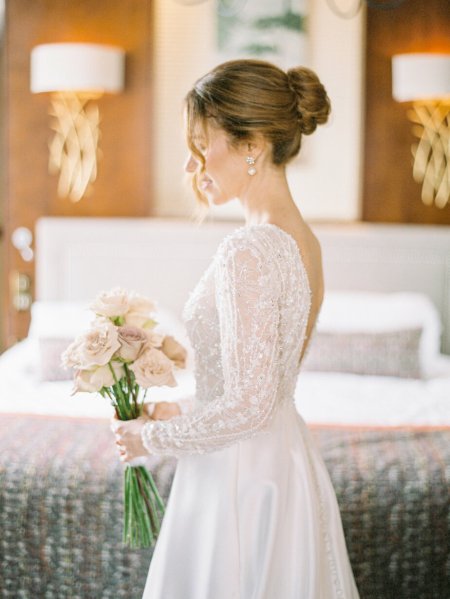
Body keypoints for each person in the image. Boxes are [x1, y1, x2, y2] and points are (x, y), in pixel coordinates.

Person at [112, 59, 360, 599]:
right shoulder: (302, 240)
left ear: (250, 145)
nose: (193, 161)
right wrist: (188, 409)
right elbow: (260, 387)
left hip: (239, 480)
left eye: (203, 143)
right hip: (283, 462)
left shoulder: (248, 248)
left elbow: (249, 404)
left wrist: (149, 437)